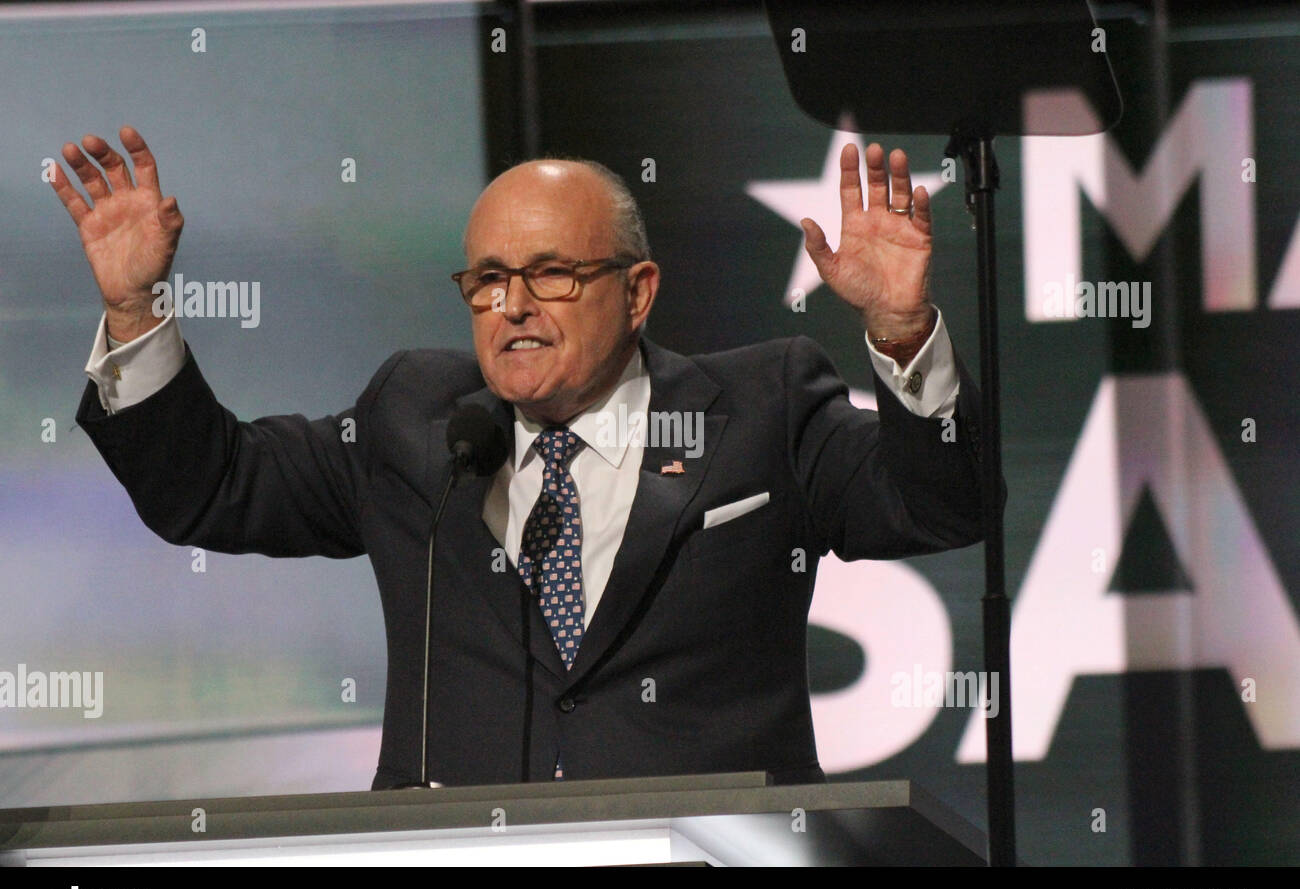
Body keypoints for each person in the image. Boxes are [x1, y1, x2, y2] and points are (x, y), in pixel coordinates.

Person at [55, 127, 994, 788]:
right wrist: (137, 312)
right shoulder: (416, 422)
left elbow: (936, 505)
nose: (511, 307)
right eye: (488, 280)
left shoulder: (763, 408)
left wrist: (902, 331)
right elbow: (212, 490)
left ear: (637, 293)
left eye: (550, 274)